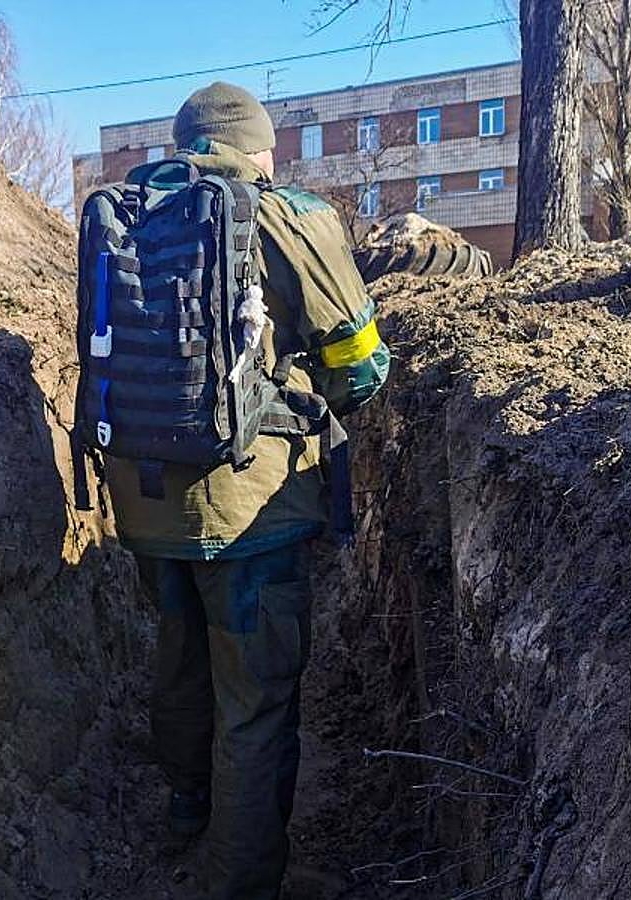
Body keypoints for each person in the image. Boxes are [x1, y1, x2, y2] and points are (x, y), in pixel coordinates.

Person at [104, 82, 390, 899]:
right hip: (248, 514)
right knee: (254, 701)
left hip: (143, 500)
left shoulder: (126, 215)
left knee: (181, 662)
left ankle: (187, 812)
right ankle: (244, 879)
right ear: (258, 148)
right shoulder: (285, 215)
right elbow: (360, 366)